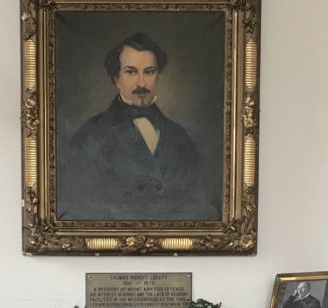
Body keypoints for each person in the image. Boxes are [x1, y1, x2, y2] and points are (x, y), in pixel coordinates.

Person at [59, 32, 217, 221]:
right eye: (131, 72)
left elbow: (201, 207)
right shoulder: (88, 138)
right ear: (116, 77)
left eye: (149, 72)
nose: (141, 83)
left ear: (158, 75)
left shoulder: (180, 137)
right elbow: (80, 211)